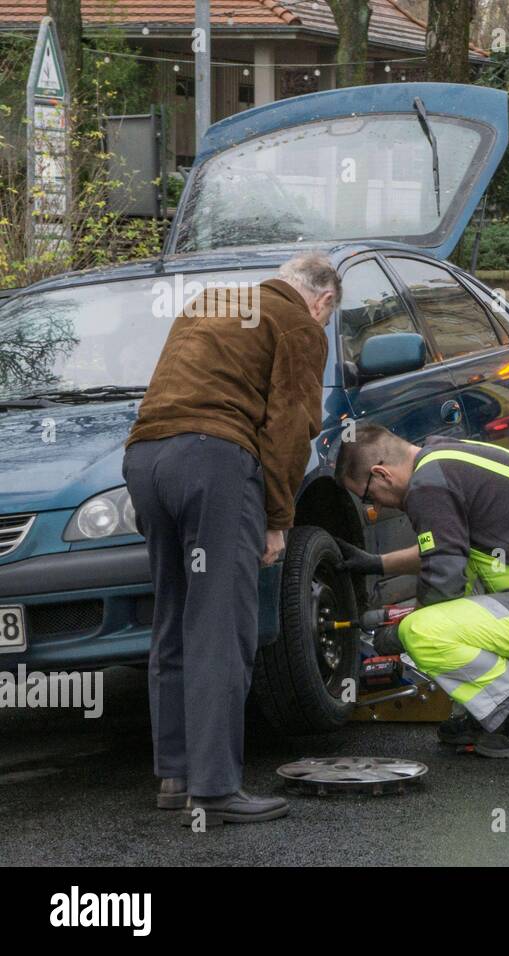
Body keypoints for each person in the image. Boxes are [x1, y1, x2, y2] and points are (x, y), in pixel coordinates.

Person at [123, 252, 338, 824]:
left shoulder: (210, 303)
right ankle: (216, 790)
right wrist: (277, 518)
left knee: (174, 615)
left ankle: (176, 775)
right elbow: (291, 424)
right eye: (327, 319)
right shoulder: (297, 323)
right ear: (323, 301)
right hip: (212, 461)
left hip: (145, 460)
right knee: (220, 623)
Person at [333, 424, 509, 757]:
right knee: (434, 621)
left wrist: (399, 634)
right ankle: (487, 714)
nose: (376, 509)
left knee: (423, 632)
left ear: (381, 474)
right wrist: (376, 563)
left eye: (369, 497)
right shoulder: (444, 459)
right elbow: (444, 549)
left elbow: (443, 577)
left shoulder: (427, 486)